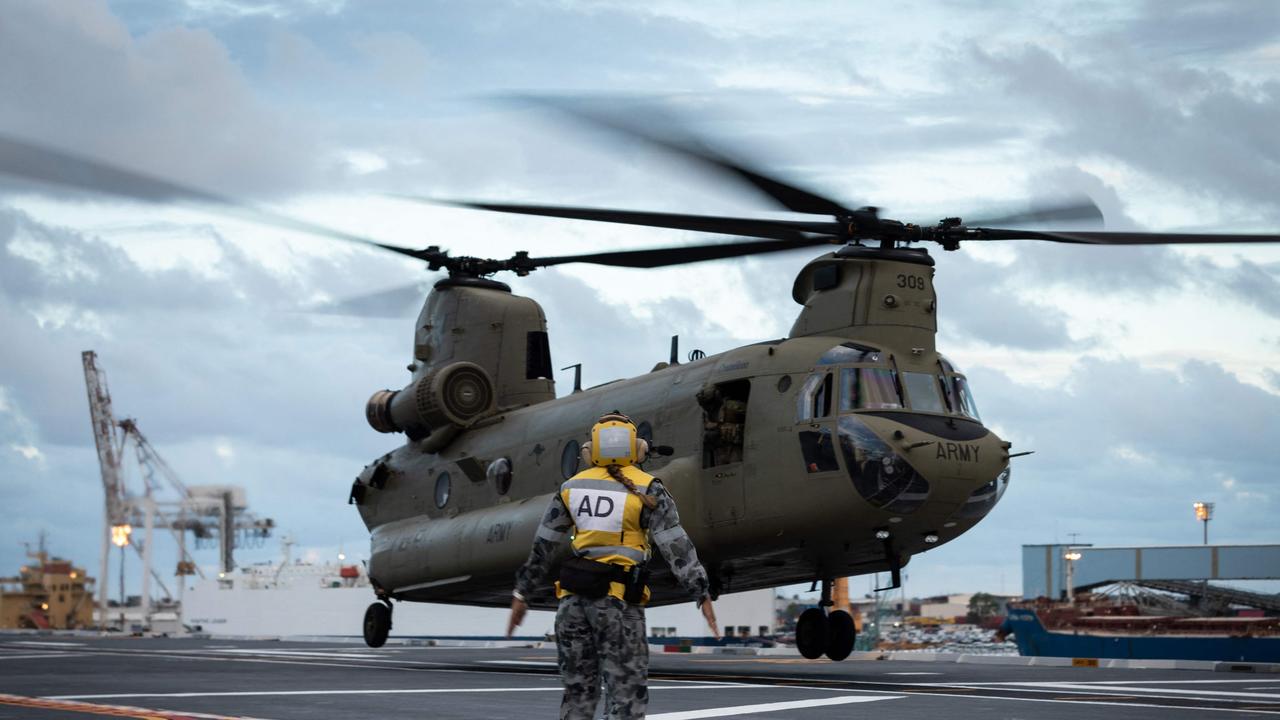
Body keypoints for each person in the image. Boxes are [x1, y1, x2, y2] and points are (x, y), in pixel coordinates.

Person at [507, 411, 719, 720]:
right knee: (626, 698)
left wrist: (521, 595)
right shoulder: (647, 488)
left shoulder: (571, 488)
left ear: (589, 450)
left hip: (572, 606)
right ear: (638, 449)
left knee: (578, 697)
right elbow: (676, 545)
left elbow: (542, 548)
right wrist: (701, 592)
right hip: (617, 606)